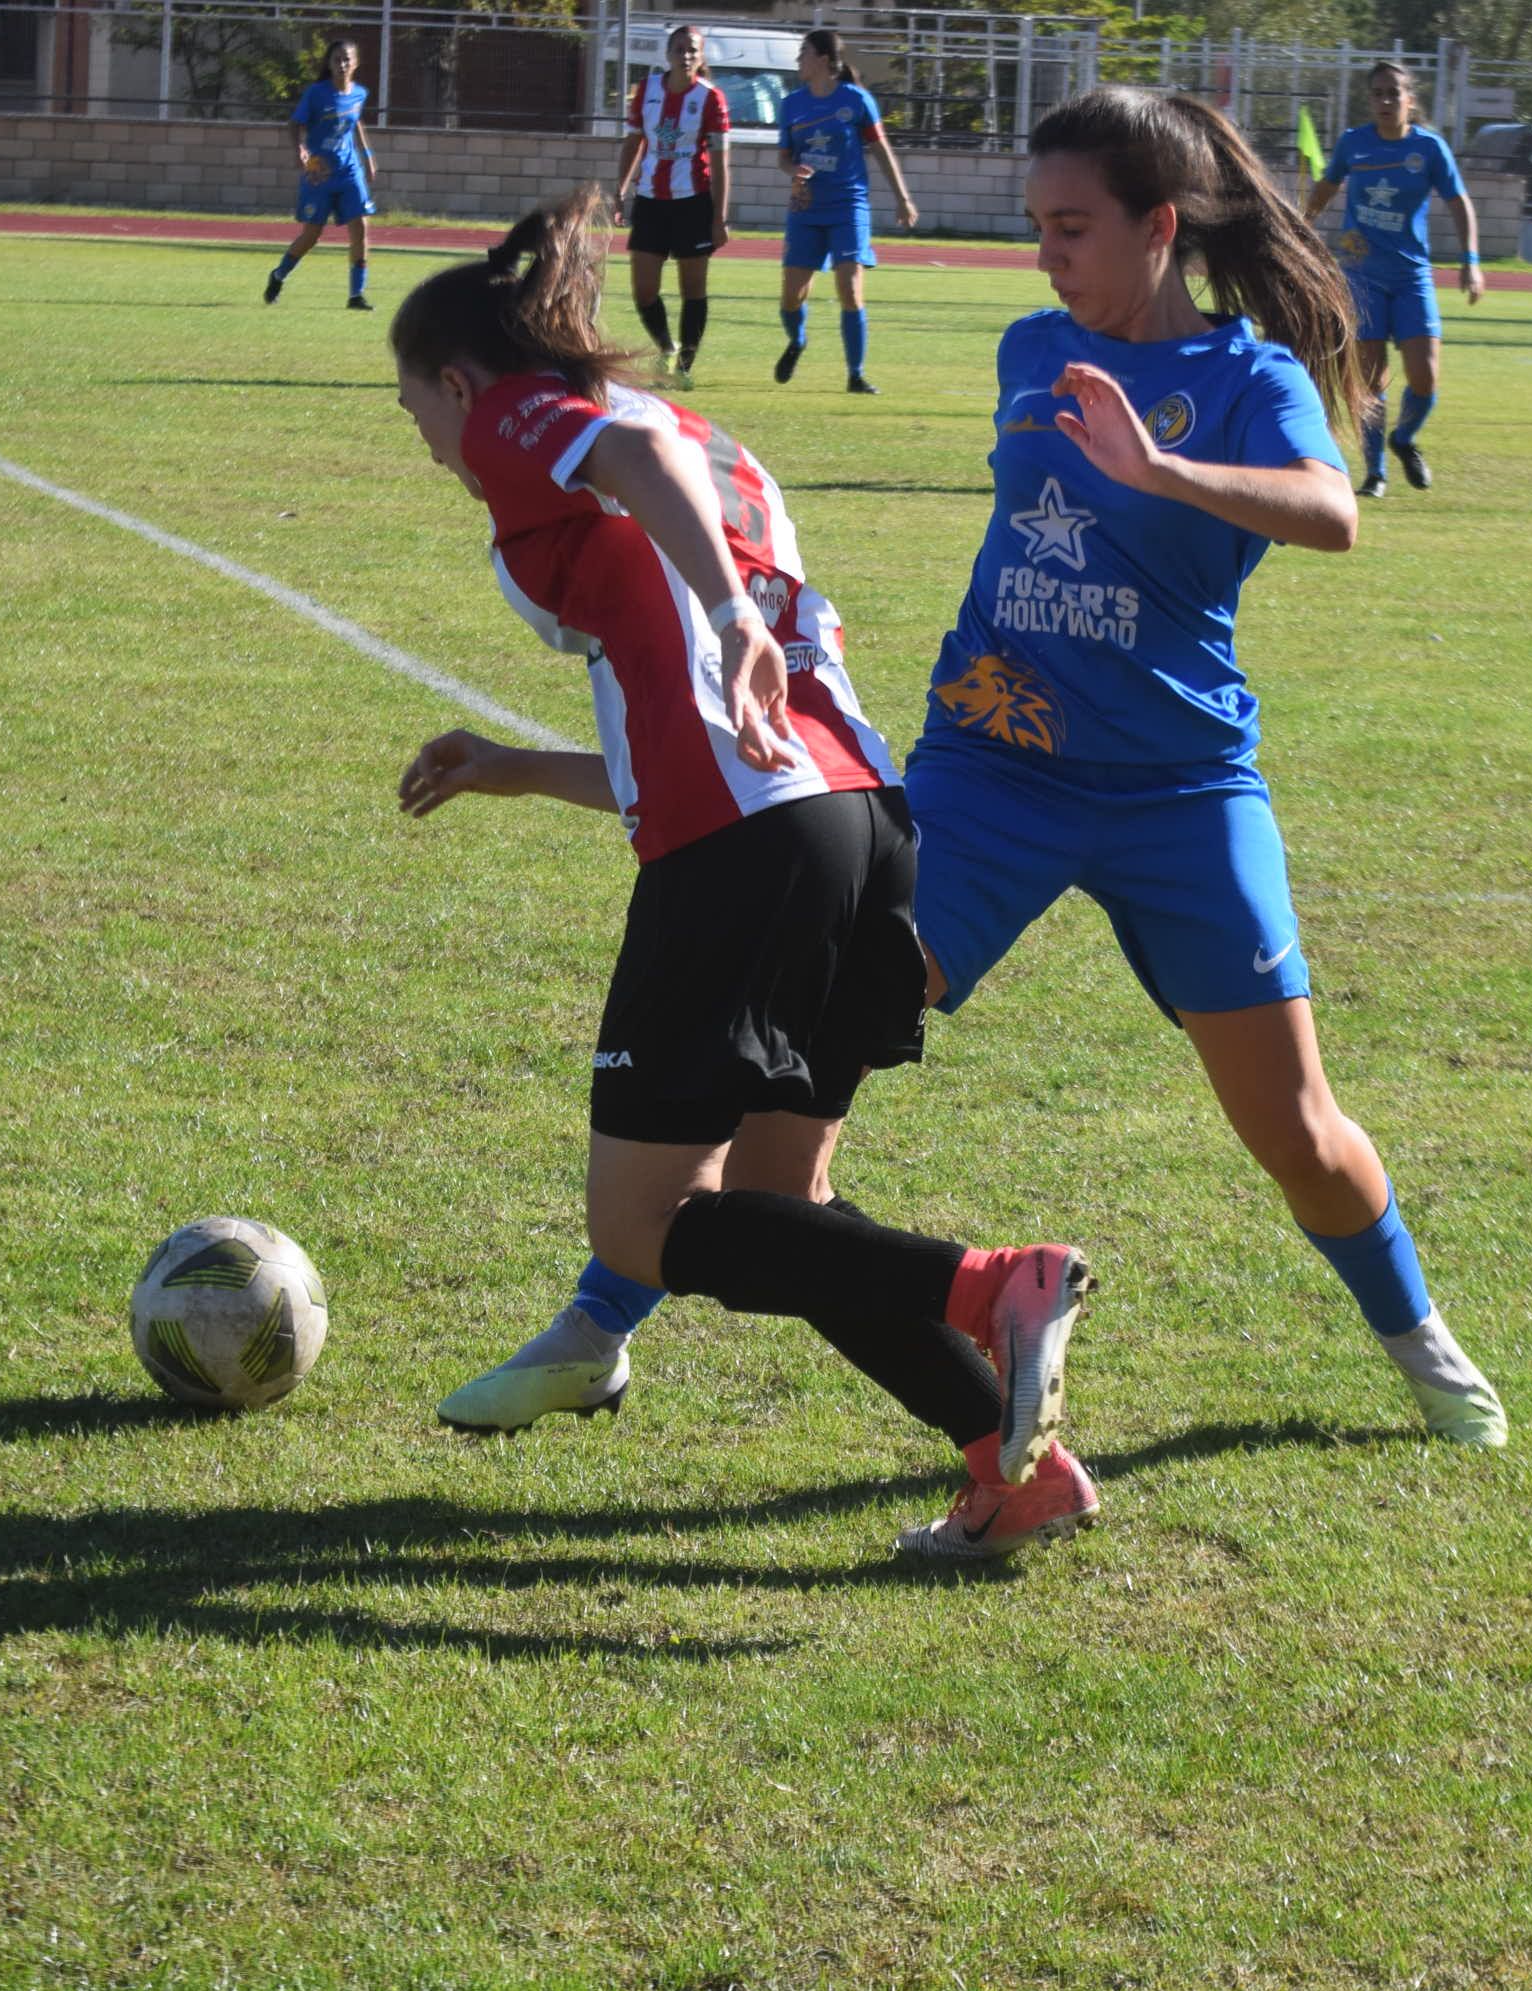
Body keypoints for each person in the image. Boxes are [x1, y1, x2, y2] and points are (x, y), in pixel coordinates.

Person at [441, 88, 1510, 1463]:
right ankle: (595, 1330)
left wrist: (1164, 464)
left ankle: (1422, 1346)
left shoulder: (1255, 379)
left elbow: (1332, 514)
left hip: (1184, 796)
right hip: (988, 781)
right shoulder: (1030, 348)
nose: (1046, 253)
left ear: (1160, 228)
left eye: (1072, 227)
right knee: (793, 1064)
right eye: (1036, 226)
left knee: (1296, 1128)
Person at [388, 189, 1102, 1560]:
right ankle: (1013, 1472)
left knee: (651, 1228)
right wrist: (513, 764)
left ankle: (993, 1284)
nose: (428, 440)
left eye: (415, 405)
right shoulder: (714, 449)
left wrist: (725, 618)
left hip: (750, 847)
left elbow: (634, 484)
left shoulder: (525, 418)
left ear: (463, 379)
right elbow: (716, 733)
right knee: (784, 1213)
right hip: (856, 827)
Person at [1299, 61, 1480, 496]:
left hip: (1412, 277)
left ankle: (1404, 439)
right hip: (1361, 276)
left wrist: (1470, 259)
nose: (1384, 101)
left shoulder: (1430, 149)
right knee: (1371, 380)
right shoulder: (1353, 144)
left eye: (1393, 93)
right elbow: (1326, 187)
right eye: (1377, 93)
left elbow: (1459, 202)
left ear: (1409, 100)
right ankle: (1375, 473)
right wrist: (1300, 227)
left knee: (1425, 377)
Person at [772, 28, 916, 395]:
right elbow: (785, 158)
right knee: (792, 296)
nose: (797, 60)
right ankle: (798, 339)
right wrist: (795, 172)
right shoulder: (791, 104)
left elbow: (881, 149)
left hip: (849, 206)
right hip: (805, 210)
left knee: (850, 289)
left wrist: (902, 197)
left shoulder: (856, 100)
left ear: (822, 59)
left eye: (803, 52)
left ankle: (855, 374)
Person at [614, 22, 732, 386]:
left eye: (692, 50)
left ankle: (684, 367)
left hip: (693, 204)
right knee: (644, 290)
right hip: (651, 202)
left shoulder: (711, 97)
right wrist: (620, 189)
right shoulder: (647, 90)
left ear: (701, 57)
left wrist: (719, 217)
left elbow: (721, 161)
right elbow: (634, 143)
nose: (685, 56)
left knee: (692, 289)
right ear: (667, 55)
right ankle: (666, 347)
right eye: (679, 49)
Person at [264, 41, 380, 311]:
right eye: (337, 60)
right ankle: (278, 275)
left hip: (350, 170)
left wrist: (368, 156)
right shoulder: (317, 93)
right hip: (320, 173)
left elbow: (356, 121)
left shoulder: (360, 94)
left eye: (347, 60)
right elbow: (295, 123)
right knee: (311, 235)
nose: (342, 65)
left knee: (361, 228)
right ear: (329, 64)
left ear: (356, 63)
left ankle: (356, 295)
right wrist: (299, 149)